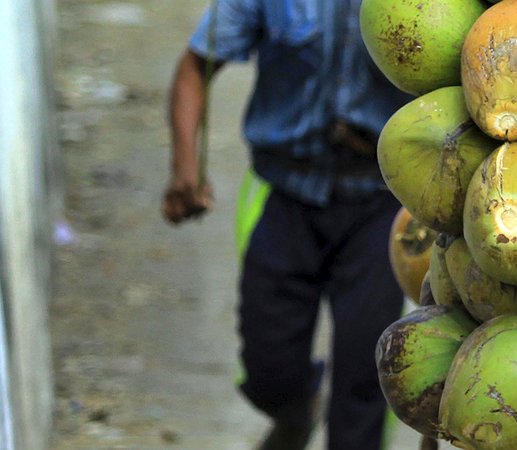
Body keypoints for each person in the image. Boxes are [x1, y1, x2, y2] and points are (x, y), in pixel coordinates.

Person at [164, 0, 414, 448]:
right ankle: (296, 411)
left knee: (368, 370)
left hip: (382, 203)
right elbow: (194, 68)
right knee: (269, 370)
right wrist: (185, 167)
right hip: (283, 194)